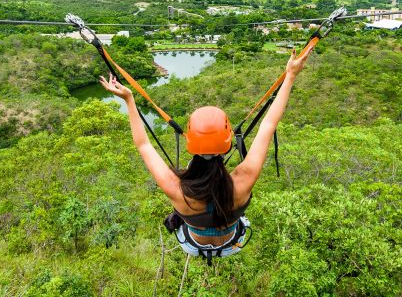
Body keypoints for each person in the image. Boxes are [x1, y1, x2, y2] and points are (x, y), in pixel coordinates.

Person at [98, 45, 313, 261]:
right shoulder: (243, 181)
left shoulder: (177, 189)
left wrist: (129, 99)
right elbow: (268, 124)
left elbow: (143, 144)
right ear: (227, 144)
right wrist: (291, 75)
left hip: (192, 245)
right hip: (232, 244)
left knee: (182, 221)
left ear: (190, 142)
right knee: (237, 222)